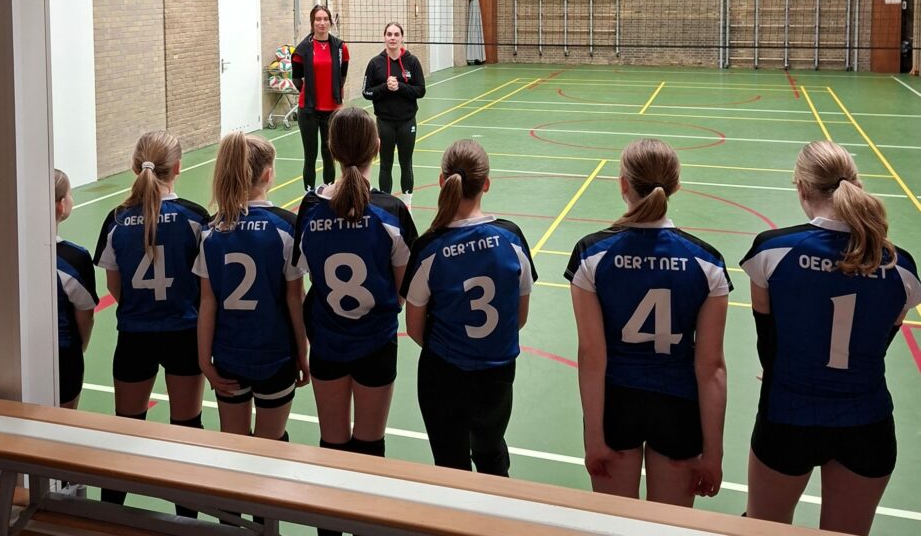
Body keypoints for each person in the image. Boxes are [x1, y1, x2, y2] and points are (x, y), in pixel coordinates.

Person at [740, 141, 920, 536]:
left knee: (763, 530)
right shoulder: (900, 266)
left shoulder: (771, 251)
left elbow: (768, 341)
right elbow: (877, 345)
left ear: (802, 188)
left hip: (787, 416)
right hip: (866, 423)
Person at [566, 138, 730, 506]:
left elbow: (592, 356)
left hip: (617, 404)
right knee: (668, 526)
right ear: (676, 186)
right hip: (679, 407)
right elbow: (711, 368)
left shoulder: (591, 255)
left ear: (623, 184)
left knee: (615, 523)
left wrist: (594, 438)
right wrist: (714, 454)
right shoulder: (707, 262)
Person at [292, 107, 416, 536]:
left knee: (332, 445)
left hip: (327, 341)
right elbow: (404, 288)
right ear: (377, 148)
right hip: (377, 342)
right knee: (369, 446)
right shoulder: (391, 210)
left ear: (330, 147)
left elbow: (301, 272)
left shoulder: (310, 209)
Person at [402, 139, 535, 476]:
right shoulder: (512, 239)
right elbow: (519, 317)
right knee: (491, 453)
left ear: (442, 181)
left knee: (450, 465)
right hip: (497, 372)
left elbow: (414, 329)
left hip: (443, 373)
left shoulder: (429, 247)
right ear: (486, 184)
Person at [93, 131, 209, 515]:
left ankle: (110, 515)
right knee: (186, 429)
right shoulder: (195, 218)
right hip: (184, 334)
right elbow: (206, 284)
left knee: (126, 430)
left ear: (134, 167)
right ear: (178, 168)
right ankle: (187, 520)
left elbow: (115, 287)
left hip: (134, 337)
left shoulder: (117, 219)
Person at [195, 132, 309, 442]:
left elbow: (207, 302)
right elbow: (295, 298)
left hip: (228, 355)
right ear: (268, 174)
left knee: (234, 444)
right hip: (276, 355)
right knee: (271, 445)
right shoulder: (286, 227)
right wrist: (303, 352)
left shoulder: (211, 230)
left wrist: (205, 360)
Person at [361, 22, 426, 206]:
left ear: (402, 38)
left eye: (396, 34)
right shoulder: (375, 63)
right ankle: (386, 204)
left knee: (406, 163)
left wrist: (400, 87)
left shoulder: (412, 62)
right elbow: (366, 92)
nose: (392, 38)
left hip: (407, 121)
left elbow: (421, 90)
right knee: (385, 164)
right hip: (385, 123)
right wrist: (384, 87)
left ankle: (407, 204)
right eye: (389, 34)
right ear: (384, 37)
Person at [292, 5, 350, 191]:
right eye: (318, 19)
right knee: (310, 156)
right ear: (312, 22)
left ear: (330, 22)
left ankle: (328, 194)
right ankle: (309, 194)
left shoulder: (340, 47)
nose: (322, 23)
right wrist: (310, 93)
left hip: (331, 110)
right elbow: (296, 79)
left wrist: (335, 95)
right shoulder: (302, 49)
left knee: (329, 154)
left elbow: (342, 76)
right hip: (308, 110)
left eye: (325, 19)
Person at [54, 169, 97, 409]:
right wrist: (80, 348)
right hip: (62, 355)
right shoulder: (75, 258)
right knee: (62, 422)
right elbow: (85, 318)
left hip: (13, 352)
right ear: (61, 205)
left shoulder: (3, 251)